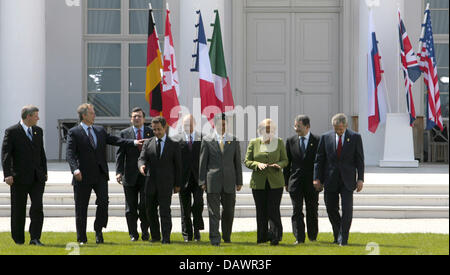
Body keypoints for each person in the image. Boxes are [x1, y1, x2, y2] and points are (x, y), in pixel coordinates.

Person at [66, 103, 144, 245]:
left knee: (103, 202)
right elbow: (70, 153)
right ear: (84, 115)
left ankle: (98, 230)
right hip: (82, 176)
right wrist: (75, 169)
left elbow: (115, 140)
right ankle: (82, 238)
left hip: (100, 174)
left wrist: (133, 142)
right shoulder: (74, 132)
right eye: (92, 113)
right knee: (81, 208)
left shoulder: (99, 130)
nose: (94, 115)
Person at [313, 113, 364, 246]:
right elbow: (319, 159)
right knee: (331, 208)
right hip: (330, 179)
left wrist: (360, 179)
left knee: (347, 210)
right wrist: (317, 178)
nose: (338, 131)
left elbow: (360, 160)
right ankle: (338, 234)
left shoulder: (355, 137)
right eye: (336, 128)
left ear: (346, 126)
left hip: (347, 180)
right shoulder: (325, 137)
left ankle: (343, 239)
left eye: (341, 129)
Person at [1, 105, 47, 246]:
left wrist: (44, 172)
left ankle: (35, 238)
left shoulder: (38, 131)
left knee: (37, 208)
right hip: (19, 178)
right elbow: (6, 154)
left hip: (37, 178)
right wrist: (7, 174)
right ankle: (19, 240)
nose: (38, 118)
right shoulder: (12, 131)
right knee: (18, 209)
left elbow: (41, 154)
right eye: (36, 115)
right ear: (28, 116)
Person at [199, 113, 243, 246]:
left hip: (229, 181)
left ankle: (227, 235)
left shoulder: (233, 140)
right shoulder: (207, 140)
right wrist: (202, 181)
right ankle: (214, 238)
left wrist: (239, 181)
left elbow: (237, 163)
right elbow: (202, 162)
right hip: (212, 181)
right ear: (214, 125)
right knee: (214, 212)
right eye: (220, 124)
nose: (222, 126)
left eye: (224, 124)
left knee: (229, 210)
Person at [138, 116, 182, 244]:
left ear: (165, 128)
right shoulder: (148, 143)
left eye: (159, 129)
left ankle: (166, 238)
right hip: (150, 184)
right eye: (154, 129)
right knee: (150, 212)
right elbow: (142, 158)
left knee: (165, 212)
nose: (156, 132)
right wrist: (141, 165)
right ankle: (156, 236)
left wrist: (177, 184)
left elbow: (178, 166)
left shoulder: (174, 144)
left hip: (166, 184)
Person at [244, 119, 288, 245]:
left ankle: (275, 237)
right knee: (261, 210)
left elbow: (285, 160)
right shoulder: (254, 142)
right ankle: (262, 237)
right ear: (261, 131)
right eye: (267, 130)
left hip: (275, 182)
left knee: (273, 210)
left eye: (272, 130)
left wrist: (278, 165)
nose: (270, 133)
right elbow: (247, 161)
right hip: (259, 183)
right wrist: (257, 164)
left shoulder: (279, 142)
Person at [116, 107, 154, 242]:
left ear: (144, 118)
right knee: (130, 207)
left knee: (144, 206)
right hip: (129, 175)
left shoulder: (151, 132)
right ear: (131, 119)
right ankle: (133, 234)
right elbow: (120, 155)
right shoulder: (124, 133)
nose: (136, 118)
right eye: (134, 116)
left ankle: (145, 232)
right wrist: (118, 172)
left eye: (139, 116)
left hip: (146, 175)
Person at [284, 115, 320, 244]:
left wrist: (319, 180)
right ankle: (299, 238)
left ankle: (312, 237)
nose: (296, 129)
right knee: (296, 210)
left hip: (312, 183)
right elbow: (287, 164)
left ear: (307, 126)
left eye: (299, 126)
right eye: (295, 126)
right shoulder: (290, 141)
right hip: (295, 182)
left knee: (312, 210)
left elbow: (320, 162)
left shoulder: (317, 140)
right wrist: (286, 182)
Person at [172, 115, 204, 242]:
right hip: (182, 179)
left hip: (198, 179)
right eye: (185, 124)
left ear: (195, 124)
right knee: (185, 209)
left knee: (198, 204)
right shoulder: (175, 139)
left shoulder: (202, 138)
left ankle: (197, 231)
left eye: (189, 124)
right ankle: (187, 235)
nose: (187, 127)